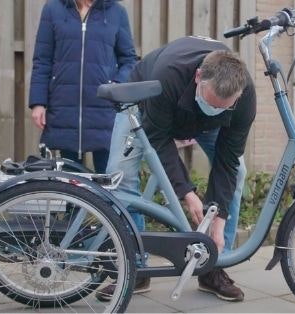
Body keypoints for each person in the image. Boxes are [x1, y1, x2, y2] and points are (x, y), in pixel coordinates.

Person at [97, 36, 256, 302]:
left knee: (238, 172)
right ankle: (136, 266)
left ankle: (213, 265)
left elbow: (226, 161)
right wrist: (187, 193)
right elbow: (158, 139)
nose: (215, 110)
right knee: (120, 176)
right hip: (147, 103)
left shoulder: (244, 97)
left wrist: (219, 219)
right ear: (198, 77)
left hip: (194, 119)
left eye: (223, 107)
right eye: (212, 102)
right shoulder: (168, 75)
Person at [29, 0, 137, 172]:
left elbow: (129, 61)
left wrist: (115, 86)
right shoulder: (53, 10)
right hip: (64, 108)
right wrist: (38, 103)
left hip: (104, 109)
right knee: (71, 187)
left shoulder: (116, 12)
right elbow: (42, 60)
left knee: (107, 183)